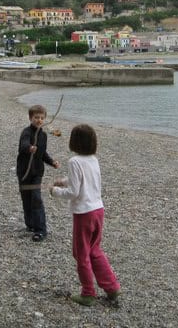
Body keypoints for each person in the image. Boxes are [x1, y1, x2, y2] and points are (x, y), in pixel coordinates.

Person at [50, 124, 120, 306]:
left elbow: (74, 192)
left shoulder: (74, 161)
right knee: (94, 249)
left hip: (84, 213)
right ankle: (112, 287)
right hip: (98, 210)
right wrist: (64, 181)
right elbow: (85, 179)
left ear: (74, 142)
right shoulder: (93, 160)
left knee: (81, 253)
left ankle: (88, 293)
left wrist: (55, 191)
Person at [16, 104, 59, 242]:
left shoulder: (44, 135)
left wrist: (52, 162)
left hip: (37, 173)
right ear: (30, 118)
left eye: (41, 118)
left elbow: (42, 153)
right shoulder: (26, 132)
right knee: (26, 199)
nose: (39, 120)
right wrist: (29, 148)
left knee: (36, 198)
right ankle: (30, 225)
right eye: (36, 117)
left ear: (45, 118)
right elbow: (23, 145)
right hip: (24, 172)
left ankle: (41, 230)